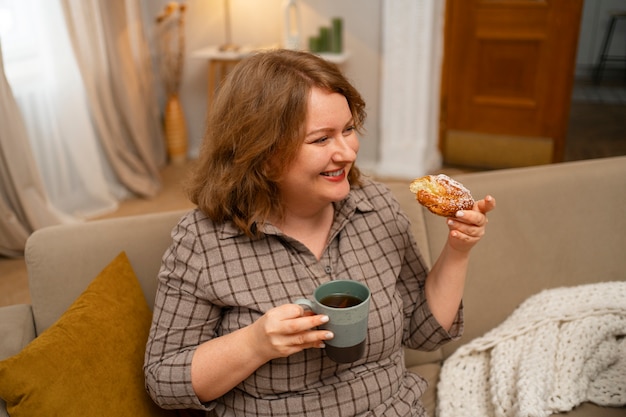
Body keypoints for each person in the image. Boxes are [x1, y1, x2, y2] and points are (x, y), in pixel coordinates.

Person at [144, 49, 496, 416]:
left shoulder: (375, 206)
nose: (347, 152)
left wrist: (458, 248)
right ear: (263, 153)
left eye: (347, 130)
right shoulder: (203, 241)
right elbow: (163, 382)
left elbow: (423, 331)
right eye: (321, 139)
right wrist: (255, 343)